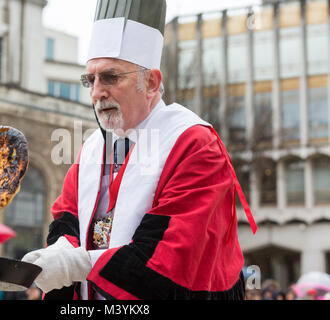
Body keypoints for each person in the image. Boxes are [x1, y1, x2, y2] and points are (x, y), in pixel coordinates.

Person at [22, 0, 257, 300]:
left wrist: (77, 264)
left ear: (150, 82)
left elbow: (169, 258)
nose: (96, 93)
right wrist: (56, 255)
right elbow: (66, 220)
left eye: (110, 77)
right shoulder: (91, 150)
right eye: (90, 80)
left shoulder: (196, 145)